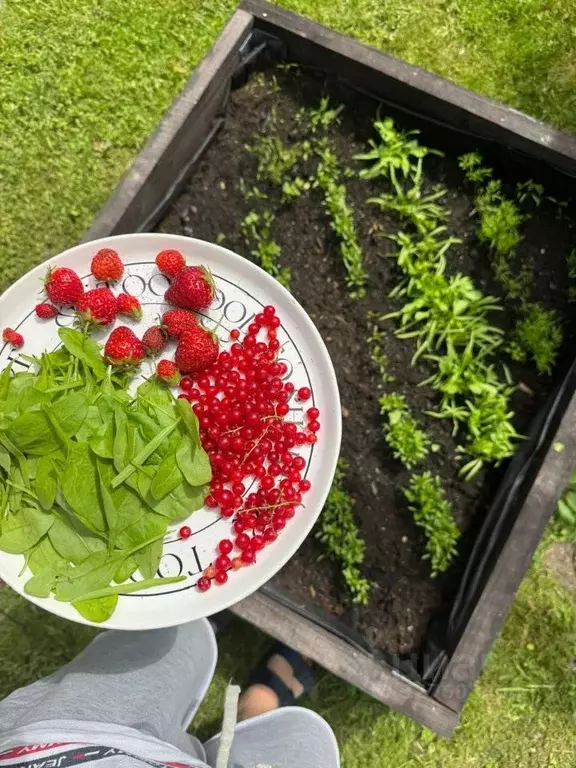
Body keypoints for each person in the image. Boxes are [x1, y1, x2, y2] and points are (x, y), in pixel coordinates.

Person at [0, 618, 340, 768]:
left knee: (162, 654)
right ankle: (256, 710)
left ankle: (196, 619)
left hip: (57, 748)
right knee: (300, 746)